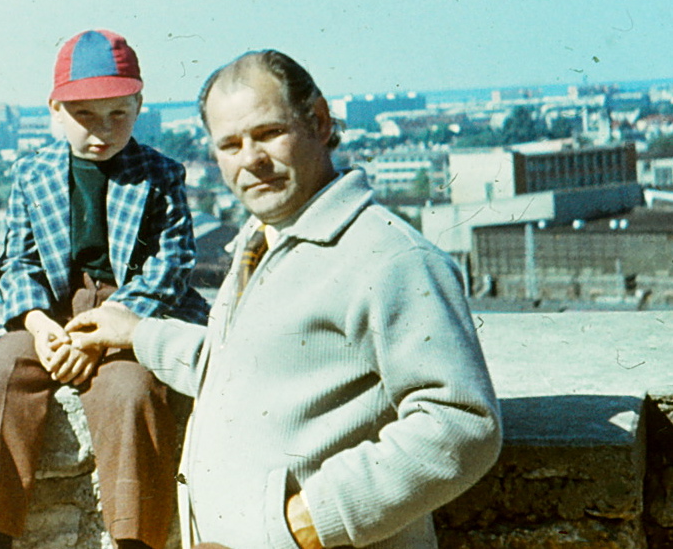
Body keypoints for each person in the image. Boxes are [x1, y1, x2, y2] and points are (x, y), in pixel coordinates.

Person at [68, 50, 502, 549]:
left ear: (318, 121)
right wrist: (137, 332)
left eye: (269, 133)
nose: (251, 159)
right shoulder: (263, 243)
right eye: (230, 144)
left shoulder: (389, 257)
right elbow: (239, 369)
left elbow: (461, 424)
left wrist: (303, 525)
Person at [0, 29, 208, 549]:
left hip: (133, 310)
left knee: (131, 394)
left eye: (118, 114)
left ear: (138, 106)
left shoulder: (160, 174)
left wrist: (107, 332)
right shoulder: (33, 172)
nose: (102, 130)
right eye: (84, 115)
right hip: (55, 310)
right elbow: (17, 260)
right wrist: (39, 325)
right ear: (55, 110)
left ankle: (135, 537)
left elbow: (171, 265)